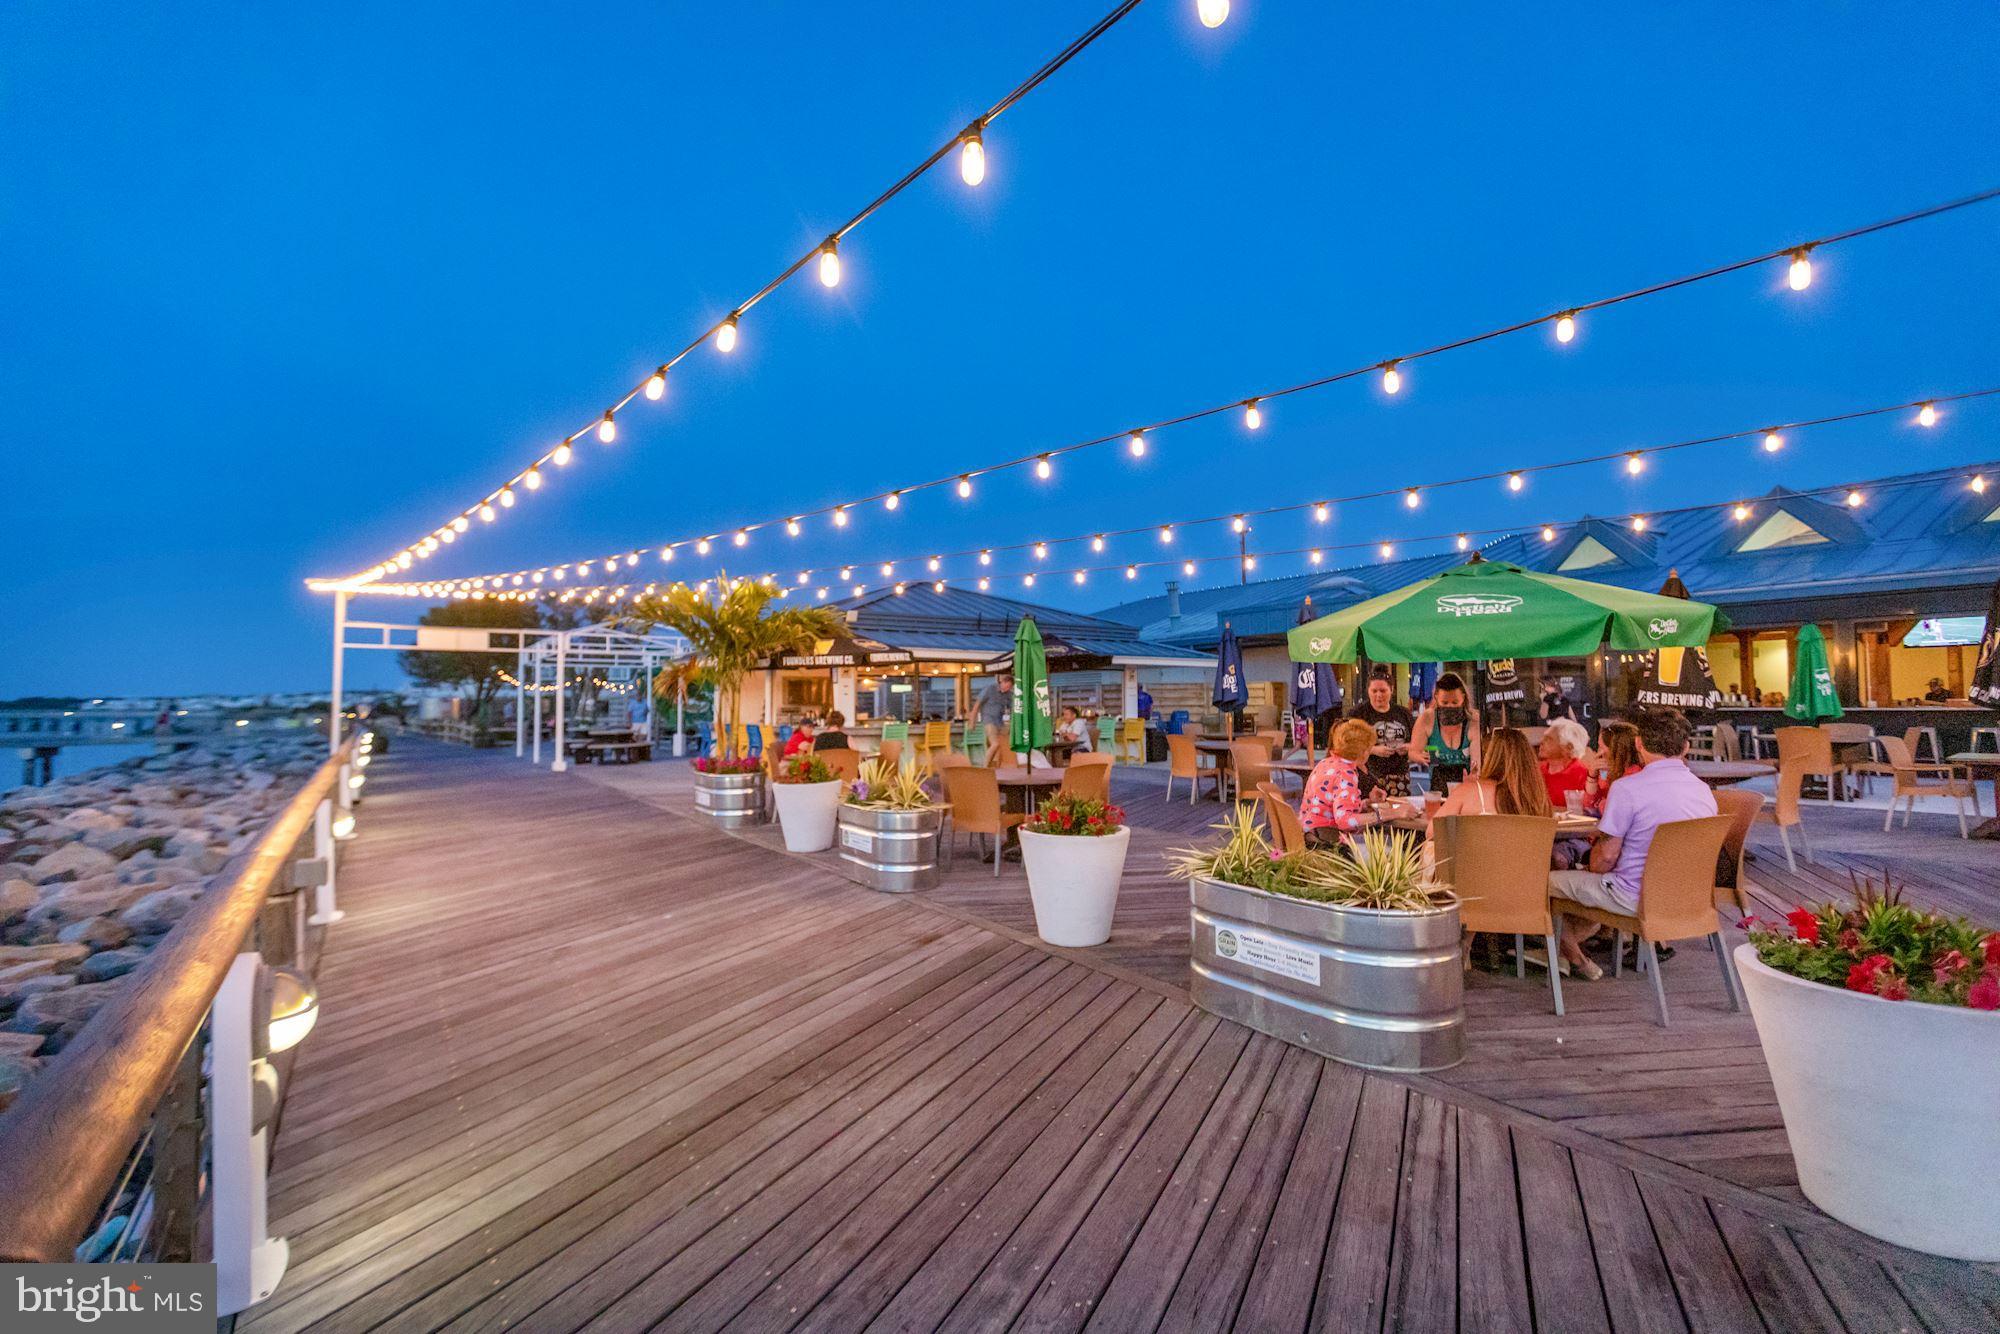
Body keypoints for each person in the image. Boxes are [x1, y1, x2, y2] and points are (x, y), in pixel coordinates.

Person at [1547, 706, 1717, 979]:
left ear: (1639, 744)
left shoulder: (1627, 789)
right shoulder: (1704, 792)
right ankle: (1565, 950)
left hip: (1632, 897)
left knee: (1542, 883)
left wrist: (1589, 865)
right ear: (1685, 747)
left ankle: (1569, 956)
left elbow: (1604, 860)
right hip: (1689, 897)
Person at [1301, 718, 1393, 847]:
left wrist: (1366, 803)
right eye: (1369, 748)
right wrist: (1389, 814)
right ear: (1362, 751)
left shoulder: (1325, 763)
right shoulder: (1346, 773)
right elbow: (1344, 820)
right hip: (1326, 845)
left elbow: (1335, 807)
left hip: (1310, 838)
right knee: (1390, 849)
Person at [1428, 728, 1551, 823]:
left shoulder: (1469, 791)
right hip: (1528, 856)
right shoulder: (1539, 798)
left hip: (1479, 856)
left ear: (1489, 758)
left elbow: (1433, 832)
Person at [1349, 669, 1414, 799]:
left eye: (1383, 691)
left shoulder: (1403, 713)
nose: (1379, 695)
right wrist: (1372, 750)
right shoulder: (1358, 714)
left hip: (1400, 776)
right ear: (1368, 691)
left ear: (1392, 689)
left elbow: (1419, 742)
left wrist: (1408, 747)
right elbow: (1348, 745)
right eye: (1374, 691)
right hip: (1369, 775)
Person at [1411, 672, 1480, 792]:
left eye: (1455, 703)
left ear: (1463, 698)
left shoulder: (1473, 721)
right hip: (1437, 788)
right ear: (1436, 697)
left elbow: (1476, 762)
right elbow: (1413, 751)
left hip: (1467, 786)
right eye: (1445, 703)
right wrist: (1419, 757)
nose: (1450, 707)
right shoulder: (1427, 719)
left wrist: (1475, 773)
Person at [1583, 720, 1642, 814]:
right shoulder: (1607, 771)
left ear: (1617, 750)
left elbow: (1608, 809)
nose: (1599, 753)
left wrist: (1600, 803)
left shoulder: (1634, 773)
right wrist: (1592, 777)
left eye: (1601, 747)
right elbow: (1589, 805)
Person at [1538, 717, 1592, 811]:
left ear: (1568, 748)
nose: (1541, 742)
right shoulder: (1536, 770)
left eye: (1549, 739)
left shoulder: (1582, 774)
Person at [973, 674, 1012, 755]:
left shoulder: (1008, 694)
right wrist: (972, 722)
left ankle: (999, 763)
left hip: (1000, 722)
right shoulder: (990, 689)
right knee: (995, 744)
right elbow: (976, 705)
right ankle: (985, 766)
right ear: (1002, 682)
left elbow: (1013, 708)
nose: (1007, 688)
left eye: (1010, 687)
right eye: (1007, 686)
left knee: (1009, 738)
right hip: (989, 720)